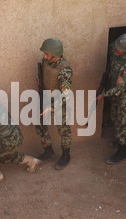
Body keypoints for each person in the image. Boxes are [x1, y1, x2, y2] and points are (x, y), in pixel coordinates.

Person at [97, 33, 126, 164]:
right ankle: (122, 139)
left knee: (122, 121)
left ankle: (122, 151)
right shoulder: (117, 53)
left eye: (119, 49)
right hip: (117, 91)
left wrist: (102, 96)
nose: (116, 50)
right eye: (116, 47)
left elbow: (120, 89)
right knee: (115, 115)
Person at [35, 38, 73, 170]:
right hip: (46, 97)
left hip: (60, 102)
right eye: (44, 53)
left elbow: (66, 94)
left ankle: (66, 155)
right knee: (39, 122)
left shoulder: (64, 70)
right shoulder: (46, 61)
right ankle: (48, 151)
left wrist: (51, 107)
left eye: (47, 54)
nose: (44, 56)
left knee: (63, 130)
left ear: (55, 55)